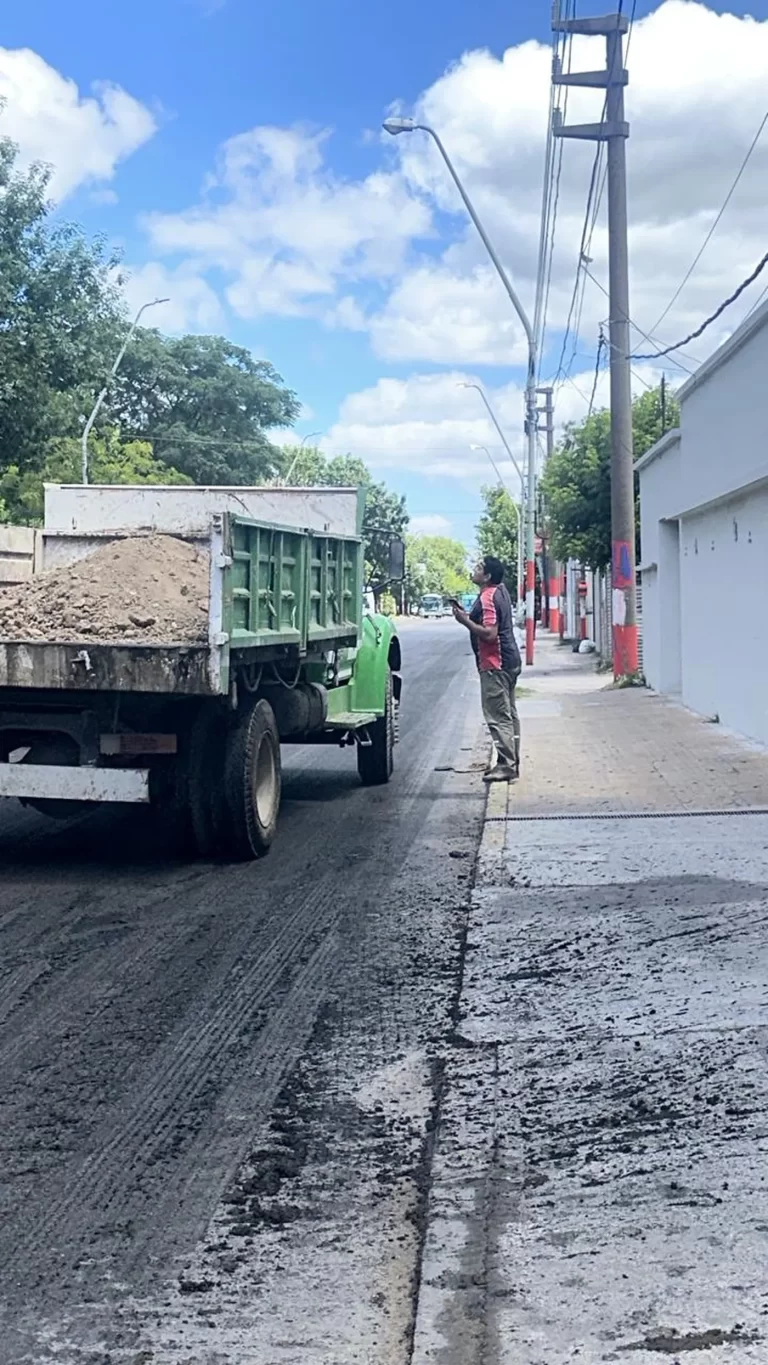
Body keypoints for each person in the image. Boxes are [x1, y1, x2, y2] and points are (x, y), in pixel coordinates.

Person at [452, 556, 521, 783]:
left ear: (487, 576)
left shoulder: (489, 596)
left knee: (498, 716)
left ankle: (506, 765)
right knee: (509, 714)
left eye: (479, 567)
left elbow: (490, 633)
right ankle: (511, 761)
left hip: (495, 664)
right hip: (510, 661)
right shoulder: (500, 591)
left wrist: (464, 621)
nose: (474, 569)